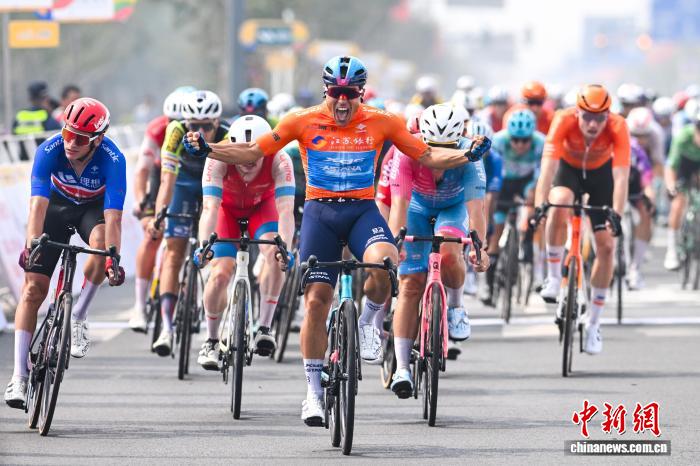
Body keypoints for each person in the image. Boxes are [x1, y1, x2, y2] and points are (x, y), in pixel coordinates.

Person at [182, 55, 491, 427]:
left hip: (361, 211)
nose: (343, 101)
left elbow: (427, 154)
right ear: (325, 90)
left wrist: (466, 154)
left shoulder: (383, 121)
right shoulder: (301, 120)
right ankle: (313, 393)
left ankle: (367, 321)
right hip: (320, 214)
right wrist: (209, 150)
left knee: (385, 263)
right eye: (336, 93)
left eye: (351, 93)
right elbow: (251, 152)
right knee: (316, 301)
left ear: (361, 92)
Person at [4, 98, 126, 409]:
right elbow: (37, 205)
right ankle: (19, 376)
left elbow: (113, 218)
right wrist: (32, 245)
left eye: (80, 139)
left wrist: (113, 259)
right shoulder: (49, 150)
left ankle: (79, 316)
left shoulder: (113, 159)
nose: (71, 143)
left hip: (92, 210)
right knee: (32, 290)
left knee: (101, 246)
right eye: (67, 133)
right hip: (55, 208)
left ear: (97, 139)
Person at [387, 103, 489, 397]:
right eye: (433, 149)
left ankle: (456, 306)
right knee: (410, 285)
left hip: (453, 208)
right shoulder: (406, 152)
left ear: (459, 142)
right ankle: (402, 368)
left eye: (448, 149)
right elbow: (399, 205)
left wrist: (479, 247)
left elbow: (476, 209)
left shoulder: (470, 155)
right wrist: (395, 244)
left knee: (449, 252)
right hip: (416, 209)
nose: (439, 158)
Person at [534, 84, 629, 355]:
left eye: (600, 118)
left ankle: (594, 323)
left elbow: (621, 176)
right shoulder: (562, 119)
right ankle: (554, 277)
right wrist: (541, 204)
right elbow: (547, 168)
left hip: (601, 176)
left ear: (608, 116)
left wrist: (617, 214)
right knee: (559, 201)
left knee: (607, 247)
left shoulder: (618, 126)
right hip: (569, 172)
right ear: (577, 113)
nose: (593, 124)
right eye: (587, 117)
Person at [194, 115, 295, 367]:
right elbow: (210, 208)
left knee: (275, 253)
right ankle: (211, 340)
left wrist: (285, 248)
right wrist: (204, 246)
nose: (248, 163)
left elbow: (285, 210)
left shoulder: (280, 158)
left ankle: (264, 327)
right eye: (242, 156)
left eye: (255, 156)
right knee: (220, 273)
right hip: (226, 211)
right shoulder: (216, 158)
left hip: (262, 208)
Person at [147, 90, 229, 356]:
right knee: (174, 253)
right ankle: (167, 327)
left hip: (213, 186)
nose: (201, 132)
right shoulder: (175, 131)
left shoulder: (228, 134)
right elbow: (167, 179)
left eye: (207, 126)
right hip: (182, 185)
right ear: (186, 123)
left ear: (217, 122)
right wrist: (160, 214)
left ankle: (215, 320)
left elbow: (229, 182)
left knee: (217, 254)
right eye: (195, 126)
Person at [127, 87, 195, 331]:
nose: (174, 126)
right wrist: (140, 200)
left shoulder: (198, 128)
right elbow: (143, 170)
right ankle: (139, 306)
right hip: (162, 174)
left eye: (180, 121)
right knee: (151, 235)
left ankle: (190, 289)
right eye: (170, 121)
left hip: (189, 178)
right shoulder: (157, 128)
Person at [488, 109, 546, 296]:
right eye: (515, 140)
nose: (520, 144)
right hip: (503, 182)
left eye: (525, 140)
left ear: (532, 137)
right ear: (509, 136)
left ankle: (527, 242)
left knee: (532, 211)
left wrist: (534, 193)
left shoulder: (541, 143)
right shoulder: (498, 141)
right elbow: (492, 171)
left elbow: (542, 172)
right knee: (497, 225)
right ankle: (489, 282)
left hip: (527, 182)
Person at [624, 108, 660, 289]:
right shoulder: (617, 141)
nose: (639, 140)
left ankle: (635, 268)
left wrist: (650, 195)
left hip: (635, 186)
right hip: (613, 185)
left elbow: (647, 176)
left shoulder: (641, 150)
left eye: (643, 136)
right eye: (635, 135)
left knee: (646, 213)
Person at [664, 105, 700, 271]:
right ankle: (672, 250)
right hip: (684, 167)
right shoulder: (683, 137)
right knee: (678, 204)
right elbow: (671, 166)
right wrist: (671, 187)